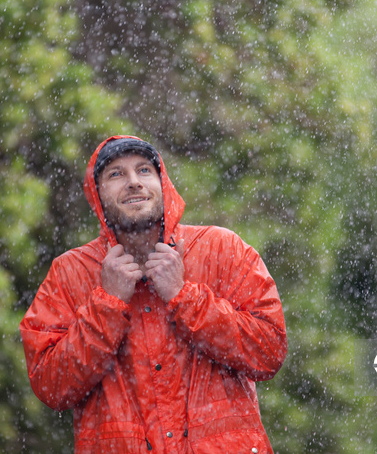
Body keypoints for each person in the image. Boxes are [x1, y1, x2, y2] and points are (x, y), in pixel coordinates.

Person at [19, 135, 287, 453]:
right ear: (97, 195)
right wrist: (107, 303)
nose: (133, 182)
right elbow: (52, 386)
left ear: (163, 183)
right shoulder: (70, 273)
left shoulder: (222, 249)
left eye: (144, 170)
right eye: (116, 174)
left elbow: (269, 352)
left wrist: (183, 296)